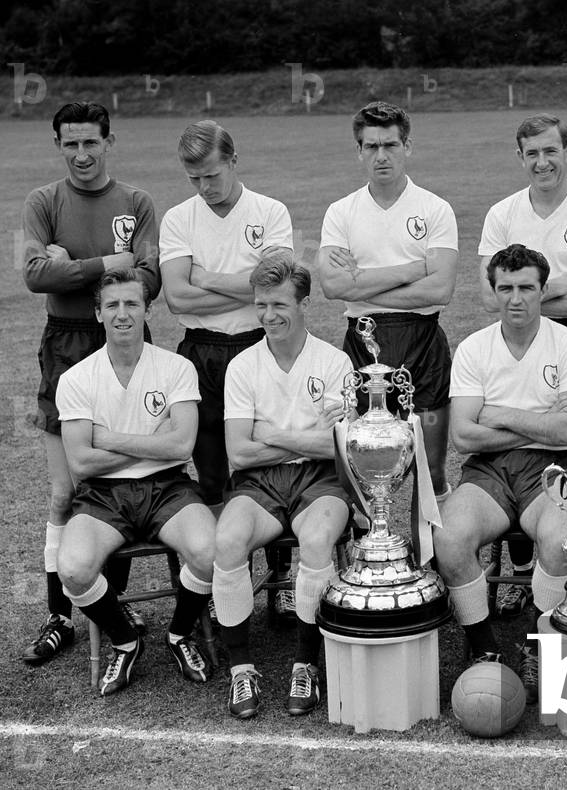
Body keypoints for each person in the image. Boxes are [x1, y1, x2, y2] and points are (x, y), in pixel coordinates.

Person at [21, 101, 159, 666]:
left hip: (126, 341)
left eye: (91, 143)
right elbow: (34, 275)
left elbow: (151, 279)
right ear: (59, 145)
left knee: (117, 478)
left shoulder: (137, 202)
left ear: (109, 142)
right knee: (63, 491)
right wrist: (108, 261)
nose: (81, 154)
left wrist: (70, 263)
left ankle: (115, 603)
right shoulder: (43, 202)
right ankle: (58, 618)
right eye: (70, 143)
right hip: (66, 341)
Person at [435, 244, 567, 703]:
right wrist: (541, 422)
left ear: (543, 291)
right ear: (493, 292)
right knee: (448, 537)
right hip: (487, 473)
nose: (516, 298)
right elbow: (464, 436)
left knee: (560, 538)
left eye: (526, 287)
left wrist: (497, 413)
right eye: (506, 288)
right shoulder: (474, 348)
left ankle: (539, 646)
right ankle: (485, 649)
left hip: (552, 470)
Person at [477, 113, 567, 617]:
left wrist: (529, 290)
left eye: (551, 151)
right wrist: (559, 284)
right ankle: (518, 570)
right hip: (511, 342)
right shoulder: (502, 214)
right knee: (511, 440)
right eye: (532, 153)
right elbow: (491, 298)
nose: (542, 161)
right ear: (520, 158)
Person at [55, 268, 215, 696]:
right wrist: (150, 441)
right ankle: (125, 641)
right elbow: (82, 461)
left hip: (168, 487)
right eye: (112, 305)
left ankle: (180, 635)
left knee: (211, 551)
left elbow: (182, 447)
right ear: (97, 313)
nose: (122, 314)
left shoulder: (176, 367)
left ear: (147, 309)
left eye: (131, 304)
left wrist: (107, 437)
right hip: (103, 493)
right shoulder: (75, 378)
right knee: (73, 568)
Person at [160, 120, 297, 616]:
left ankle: (282, 577)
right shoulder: (178, 218)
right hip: (200, 351)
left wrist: (207, 277)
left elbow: (276, 285)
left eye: (212, 175)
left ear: (233, 160)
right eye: (194, 178)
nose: (204, 187)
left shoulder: (270, 211)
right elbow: (176, 295)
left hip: (261, 344)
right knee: (213, 466)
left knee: (272, 458)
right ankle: (226, 577)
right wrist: (245, 282)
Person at [212, 251, 354, 720]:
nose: (269, 316)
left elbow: (339, 448)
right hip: (258, 483)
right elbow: (239, 452)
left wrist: (270, 433)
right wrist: (303, 440)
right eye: (260, 305)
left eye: (280, 305)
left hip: (321, 480)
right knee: (228, 540)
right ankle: (240, 670)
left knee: (316, 540)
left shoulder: (334, 362)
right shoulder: (242, 366)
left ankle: (305, 666)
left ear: (304, 304)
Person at [318, 101, 457, 516]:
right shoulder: (341, 212)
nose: (382, 155)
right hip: (362, 343)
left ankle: (436, 560)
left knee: (430, 466)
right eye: (371, 146)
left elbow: (442, 288)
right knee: (361, 461)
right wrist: (414, 269)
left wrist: (362, 286)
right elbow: (333, 286)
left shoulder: (435, 209)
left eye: (390, 145)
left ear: (407, 146)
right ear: (359, 150)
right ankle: (371, 563)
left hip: (423, 341)